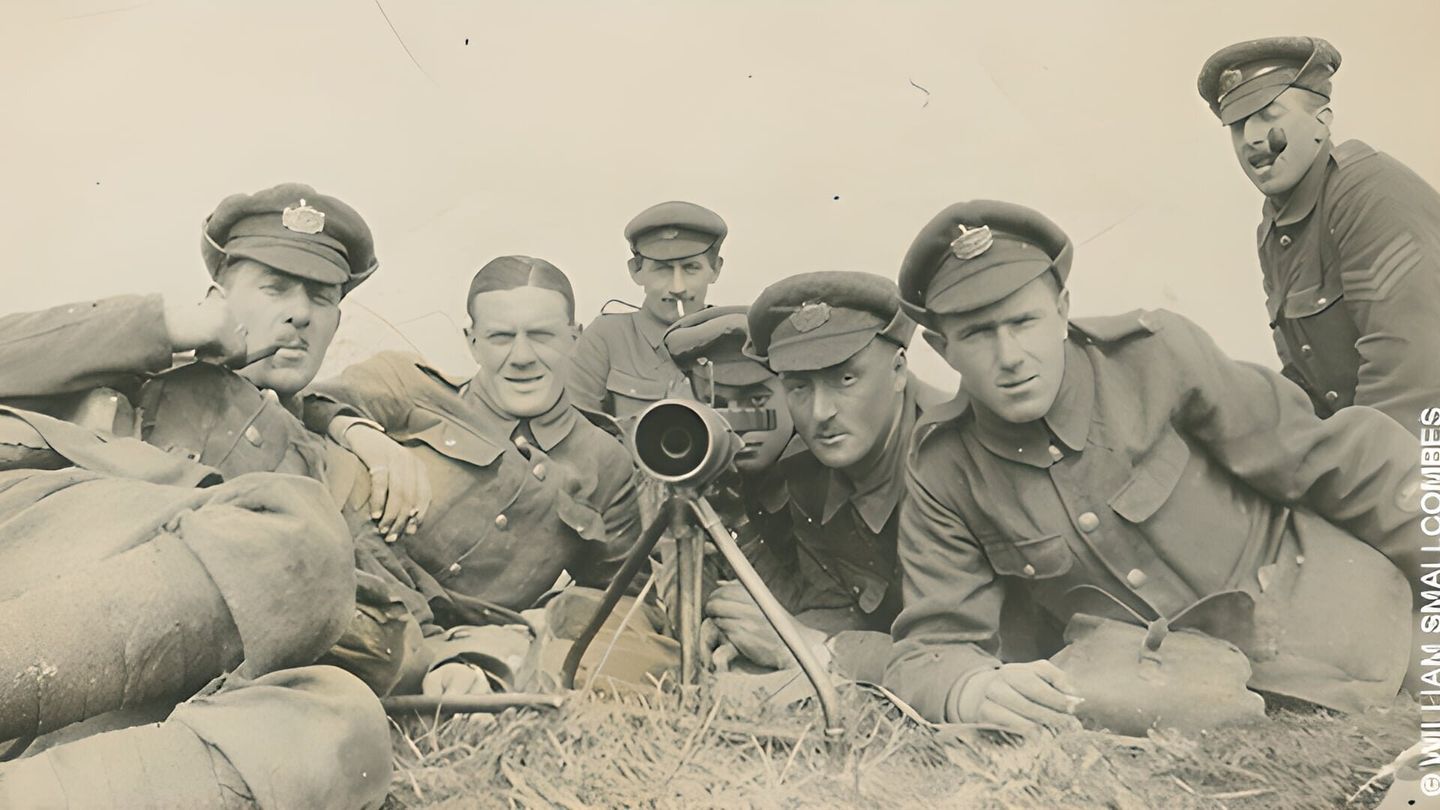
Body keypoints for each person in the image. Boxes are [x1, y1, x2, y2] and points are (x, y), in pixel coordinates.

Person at [884, 200, 1420, 734]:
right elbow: (933, 646)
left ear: (1062, 309)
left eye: (1024, 321)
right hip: (1187, 702)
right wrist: (969, 689)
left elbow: (1327, 458)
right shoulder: (942, 468)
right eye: (977, 334)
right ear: (942, 346)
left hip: (1348, 626)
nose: (1011, 356)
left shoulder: (1153, 358)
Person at [0, 184, 392, 807]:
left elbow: (395, 632)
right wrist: (161, 327)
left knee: (347, 724)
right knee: (297, 533)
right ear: (216, 299)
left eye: (321, 296)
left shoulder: (329, 471)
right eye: (274, 287)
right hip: (26, 573)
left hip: (106, 700)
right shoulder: (132, 363)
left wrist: (354, 430)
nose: (299, 313)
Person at [306, 255, 664, 691]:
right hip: (360, 610)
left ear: (575, 337)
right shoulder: (410, 386)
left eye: (542, 336)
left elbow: (624, 598)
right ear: (472, 341)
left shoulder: (603, 459)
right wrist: (367, 438)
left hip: (476, 649)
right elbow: (305, 405)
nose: (522, 357)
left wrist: (544, 621)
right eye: (500, 337)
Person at [1196, 36, 1440, 436]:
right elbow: (1309, 380)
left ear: (1323, 120)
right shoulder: (1276, 227)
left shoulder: (1369, 192)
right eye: (1238, 125)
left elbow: (1410, 379)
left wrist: (1351, 484)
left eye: (1267, 114)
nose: (1252, 138)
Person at [719, 272, 944, 678]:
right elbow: (833, 606)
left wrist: (817, 647)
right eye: (800, 387)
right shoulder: (807, 468)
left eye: (845, 379)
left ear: (897, 371)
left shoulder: (958, 456)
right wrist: (752, 637)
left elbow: (969, 652)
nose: (821, 413)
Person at [563, 201, 727, 422]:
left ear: (716, 269)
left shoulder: (735, 340)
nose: (677, 287)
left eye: (691, 268)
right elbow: (576, 430)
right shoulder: (607, 338)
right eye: (662, 269)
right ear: (636, 272)